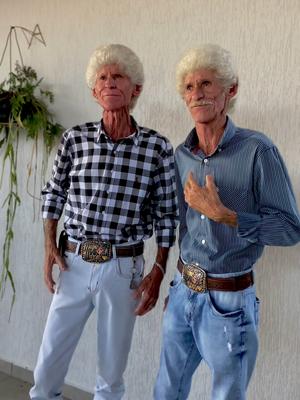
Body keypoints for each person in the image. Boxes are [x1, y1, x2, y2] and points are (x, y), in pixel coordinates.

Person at [29, 44, 177, 400]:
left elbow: (168, 214)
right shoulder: (74, 139)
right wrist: (50, 245)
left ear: (135, 88)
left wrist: (158, 270)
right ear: (94, 91)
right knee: (48, 363)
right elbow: (53, 193)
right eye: (102, 78)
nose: (109, 83)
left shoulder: (157, 148)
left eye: (118, 77)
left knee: (111, 372)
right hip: (74, 263)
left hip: (122, 268)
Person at [154, 44, 300, 400]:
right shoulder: (182, 155)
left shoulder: (257, 150)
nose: (196, 93)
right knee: (165, 391)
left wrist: (226, 215)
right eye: (188, 87)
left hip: (229, 304)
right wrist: (177, 281)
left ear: (230, 90)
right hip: (183, 291)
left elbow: (289, 228)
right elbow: (184, 224)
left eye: (206, 83)